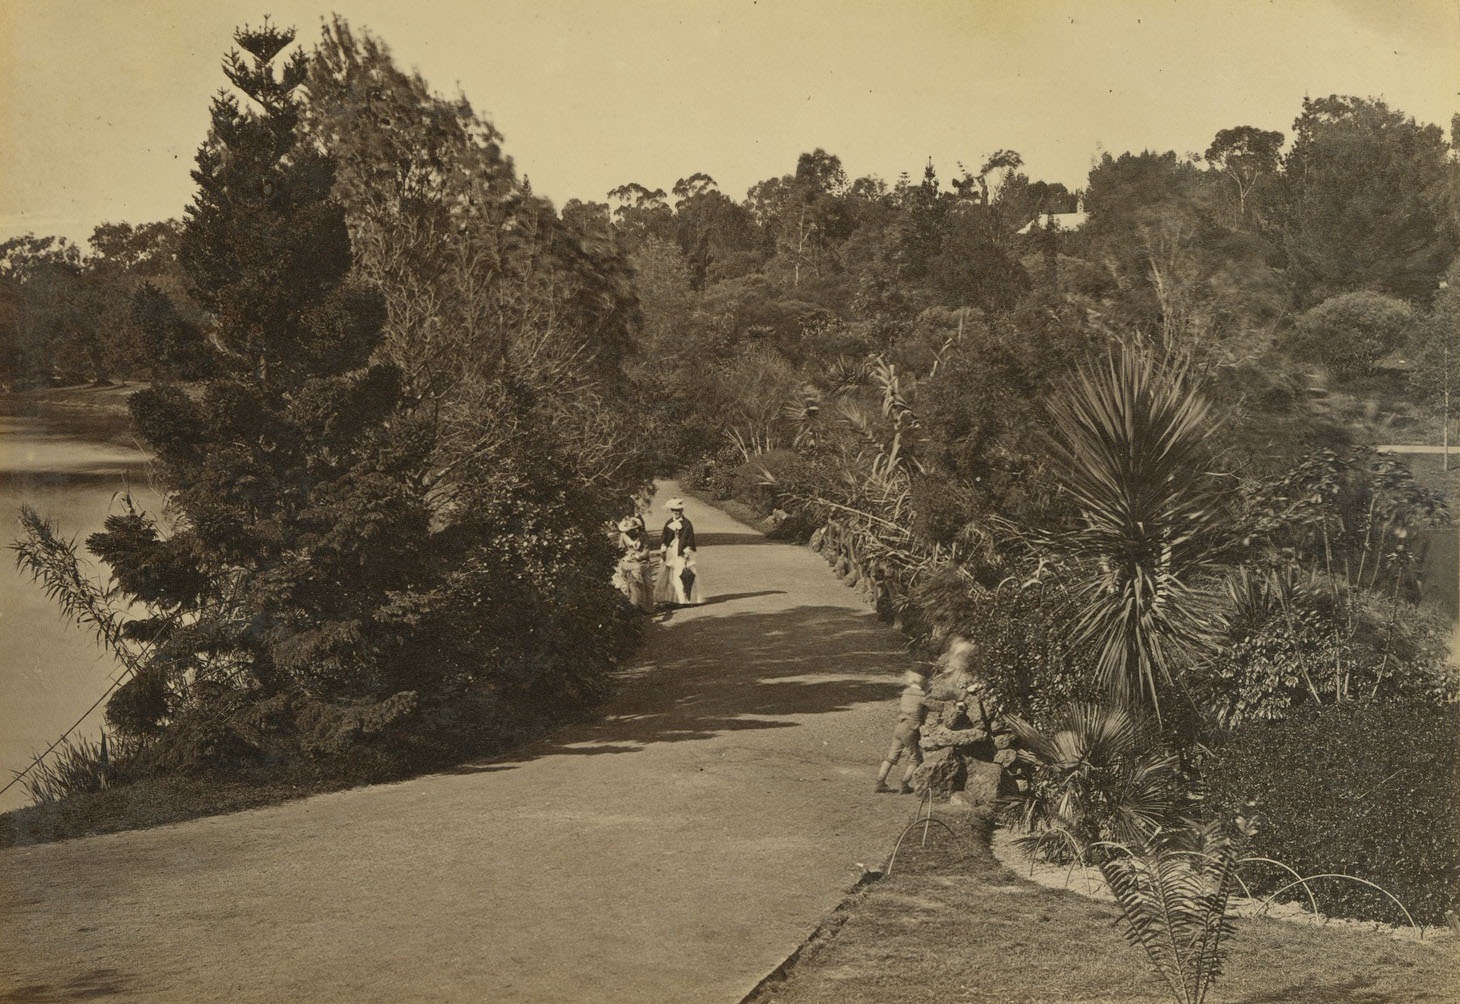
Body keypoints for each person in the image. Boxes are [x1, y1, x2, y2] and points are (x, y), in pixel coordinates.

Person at [874, 637, 978, 794]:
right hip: (910, 730)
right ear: (924, 681)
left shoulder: (906, 692)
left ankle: (880, 782)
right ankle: (904, 784)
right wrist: (960, 696)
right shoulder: (923, 696)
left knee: (892, 756)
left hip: (899, 727)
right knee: (915, 758)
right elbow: (939, 703)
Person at [655, 497, 703, 606]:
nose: (676, 512)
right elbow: (665, 535)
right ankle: (672, 598)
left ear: (682, 511)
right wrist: (663, 544)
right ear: (671, 511)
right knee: (670, 572)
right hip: (672, 550)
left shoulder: (687, 524)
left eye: (679, 510)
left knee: (683, 572)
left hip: (683, 550)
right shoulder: (669, 522)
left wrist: (687, 550)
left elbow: (690, 538)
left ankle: (686, 599)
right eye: (674, 510)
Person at [612, 514, 654, 612]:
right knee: (633, 581)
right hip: (629, 562)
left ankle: (648, 607)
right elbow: (620, 549)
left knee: (648, 584)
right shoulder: (623, 536)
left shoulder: (642, 536)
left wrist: (639, 556)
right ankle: (635, 603)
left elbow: (646, 550)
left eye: (632, 530)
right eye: (627, 531)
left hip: (642, 561)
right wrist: (624, 556)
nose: (629, 533)